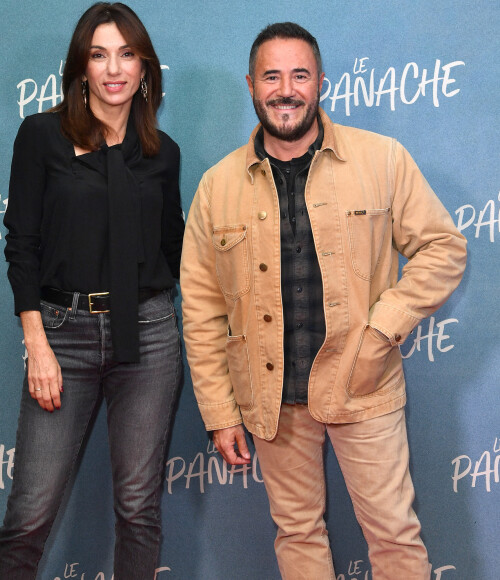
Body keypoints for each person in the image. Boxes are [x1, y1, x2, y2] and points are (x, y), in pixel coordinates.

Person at [180, 22, 466, 580]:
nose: (286, 89)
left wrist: (384, 328)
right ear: (251, 85)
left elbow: (443, 247)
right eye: (272, 75)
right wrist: (219, 412)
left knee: (394, 536)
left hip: (365, 385)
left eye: (300, 75)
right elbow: (201, 307)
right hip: (272, 398)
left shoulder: (381, 159)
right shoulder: (217, 187)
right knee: (298, 533)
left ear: (321, 84)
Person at [0, 3, 184, 579]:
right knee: (28, 517)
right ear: (81, 68)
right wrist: (38, 343)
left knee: (139, 511)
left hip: (148, 338)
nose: (113, 68)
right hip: (62, 340)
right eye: (99, 55)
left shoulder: (162, 154)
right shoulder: (42, 136)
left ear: (145, 68)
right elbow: (20, 243)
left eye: (126, 54)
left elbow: (175, 253)